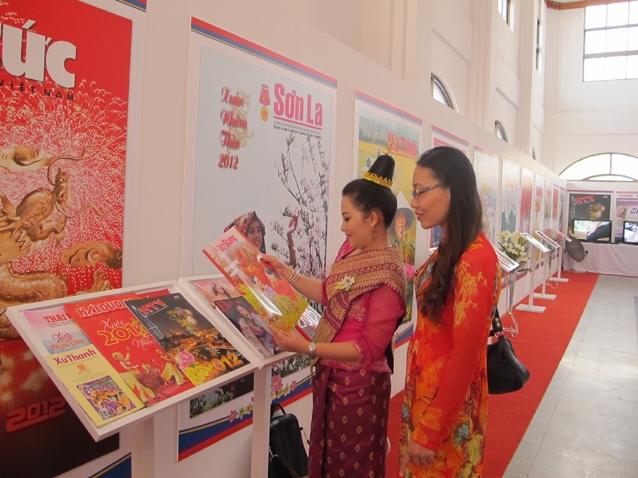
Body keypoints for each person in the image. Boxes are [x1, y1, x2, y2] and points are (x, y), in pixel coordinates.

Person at [261, 154, 407, 478]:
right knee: (325, 462)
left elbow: (367, 349)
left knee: (352, 468)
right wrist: (287, 273)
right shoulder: (352, 253)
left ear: (372, 219)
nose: (342, 227)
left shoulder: (388, 276)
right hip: (331, 381)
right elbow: (328, 293)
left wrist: (306, 348)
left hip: (360, 389)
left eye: (347, 218)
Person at [398, 146, 501, 477]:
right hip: (426, 398)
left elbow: (466, 353)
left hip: (446, 412)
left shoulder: (475, 259)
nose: (414, 202)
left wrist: (432, 430)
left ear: (451, 190)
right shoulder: (449, 248)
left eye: (420, 191)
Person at [224, 210, 298, 267]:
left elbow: (291, 265)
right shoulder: (237, 269)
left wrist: (289, 236)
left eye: (259, 230)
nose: (257, 236)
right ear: (242, 236)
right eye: (252, 231)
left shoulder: (267, 263)